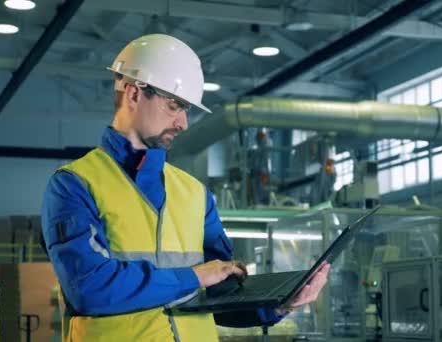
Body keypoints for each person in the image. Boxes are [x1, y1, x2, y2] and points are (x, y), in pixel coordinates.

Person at [41, 34, 330, 342]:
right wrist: (194, 277)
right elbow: (89, 288)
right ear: (133, 94)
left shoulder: (195, 193)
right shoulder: (75, 184)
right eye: (174, 106)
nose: (183, 123)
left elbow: (222, 299)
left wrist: (280, 304)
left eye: (186, 110)